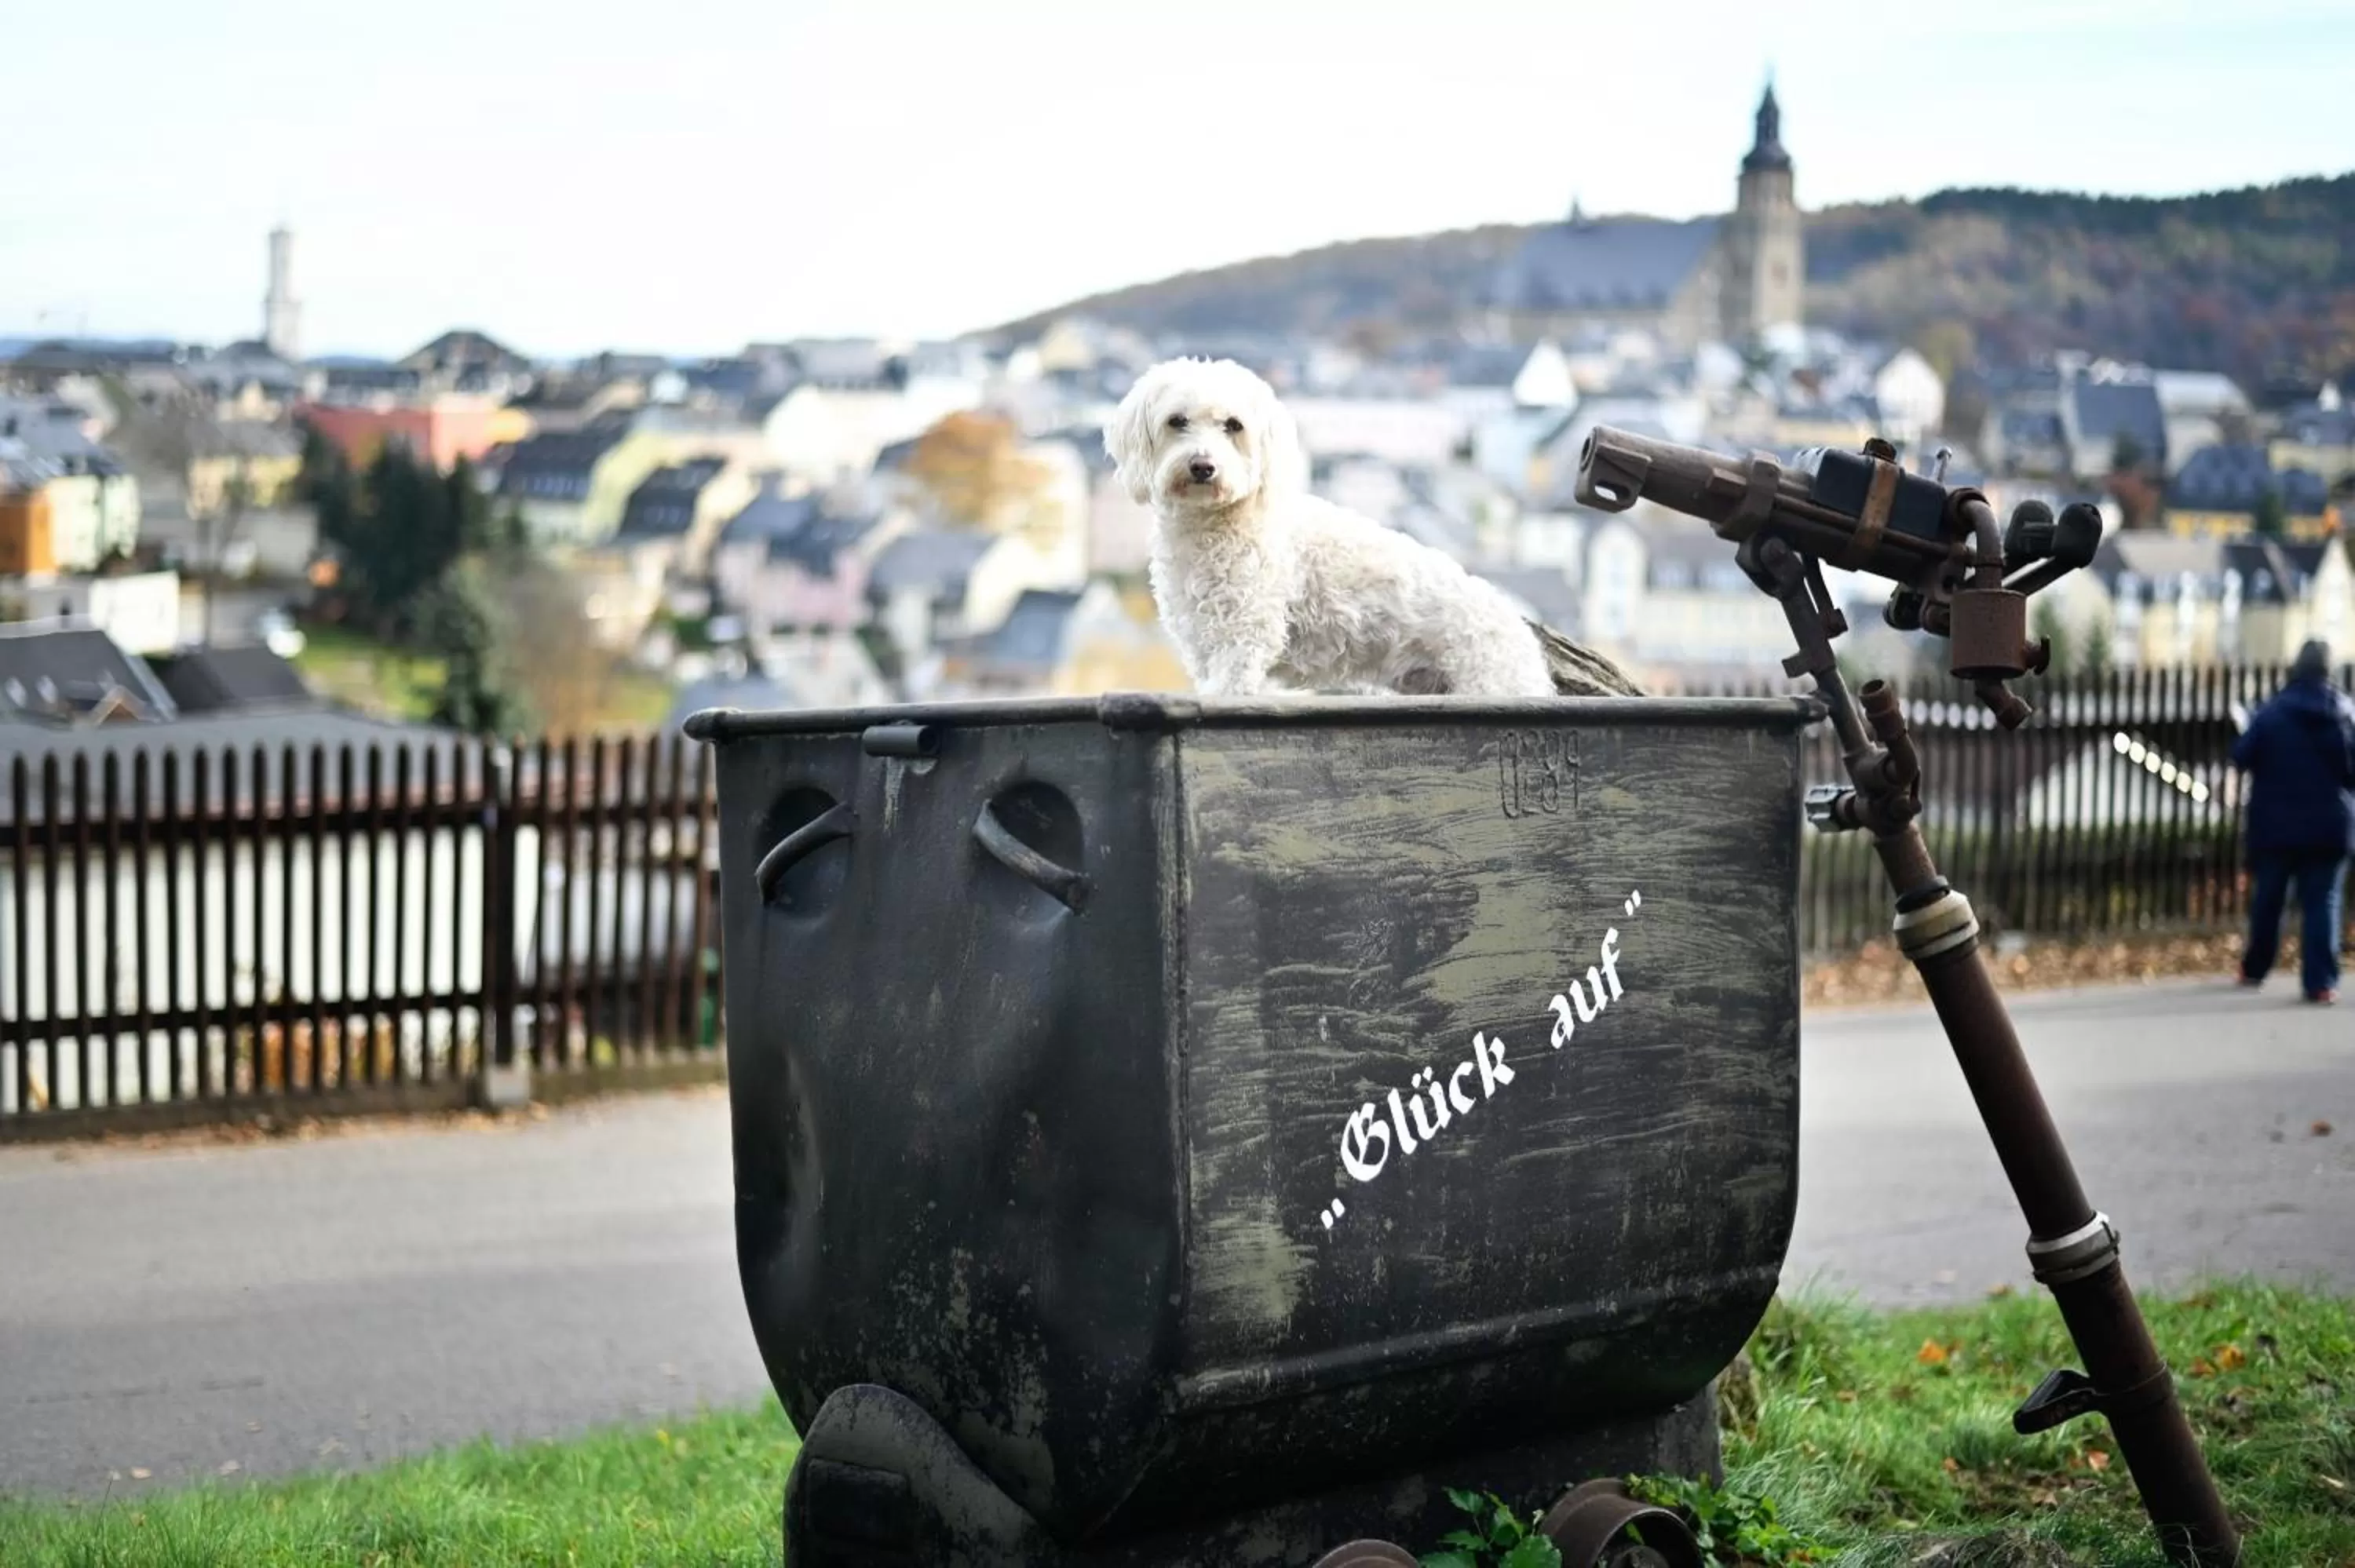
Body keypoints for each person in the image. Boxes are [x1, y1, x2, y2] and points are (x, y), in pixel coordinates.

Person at [2230, 639, 2355, 1002]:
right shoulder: (2345, 715)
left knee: (2269, 900)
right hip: (2330, 826)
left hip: (2275, 825)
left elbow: (2241, 755)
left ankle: (2256, 968)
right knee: (2323, 901)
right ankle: (2320, 982)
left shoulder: (2271, 713)